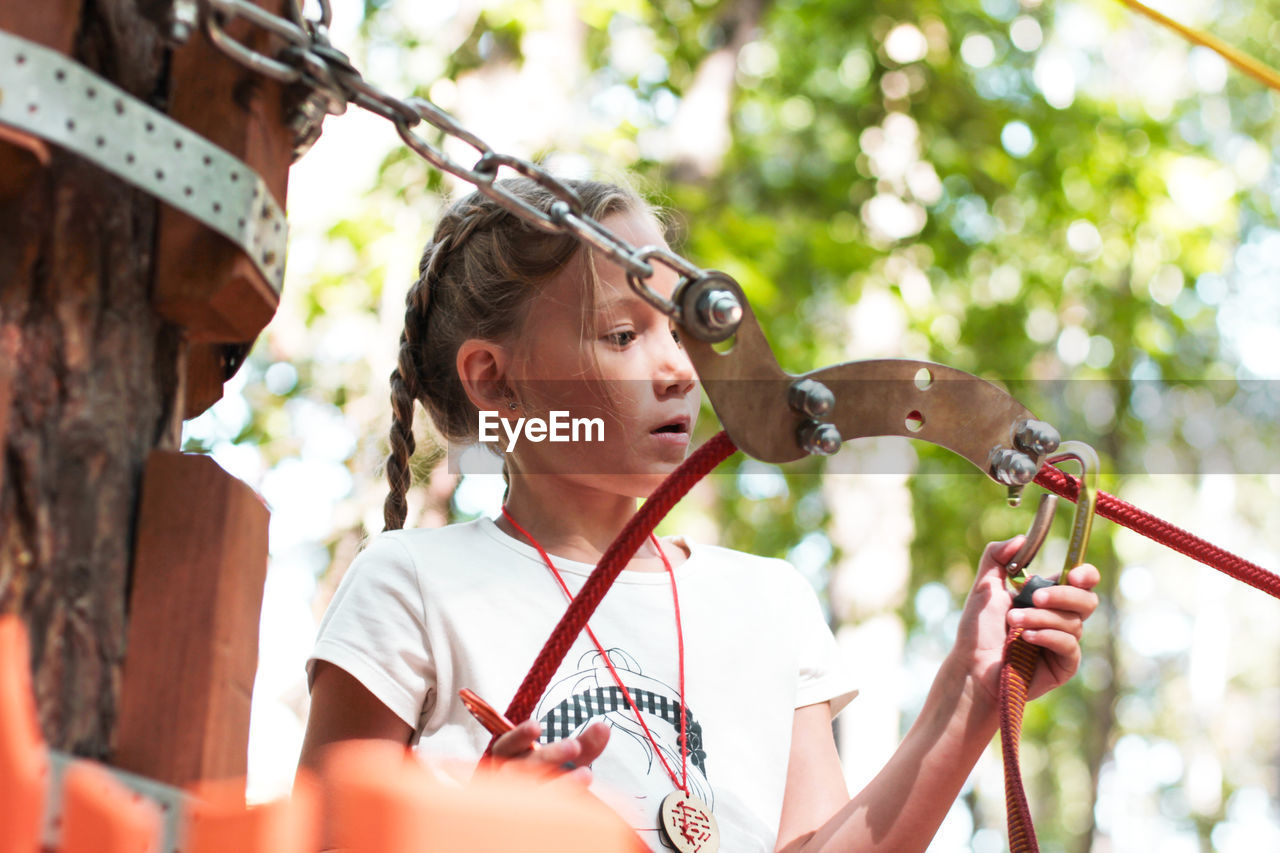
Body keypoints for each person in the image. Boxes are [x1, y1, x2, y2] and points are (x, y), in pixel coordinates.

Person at [297, 177, 1100, 852]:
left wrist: (970, 691)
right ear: (497, 382)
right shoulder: (412, 583)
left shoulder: (770, 601)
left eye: (679, 332)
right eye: (623, 334)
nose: (680, 369)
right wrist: (479, 828)